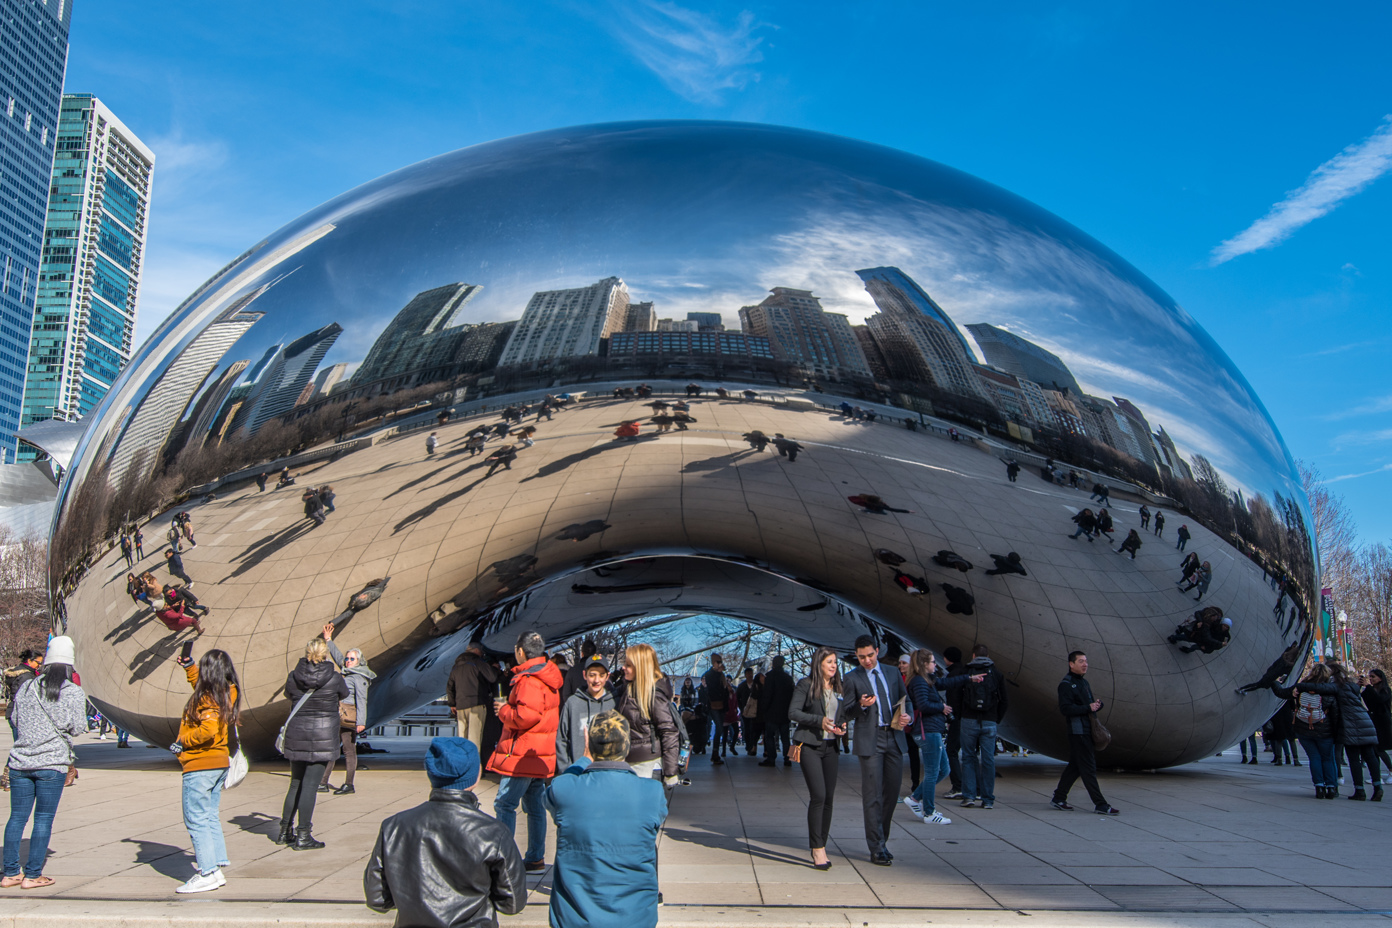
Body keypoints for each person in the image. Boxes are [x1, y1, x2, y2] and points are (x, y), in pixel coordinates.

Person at [364, 738, 527, 928]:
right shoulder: (493, 832)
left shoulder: (394, 827)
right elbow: (512, 903)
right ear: (475, 775)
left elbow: (378, 898)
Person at [545, 711, 666, 928]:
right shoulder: (652, 793)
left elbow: (554, 793)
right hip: (635, 918)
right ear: (627, 745)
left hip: (575, 918)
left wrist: (583, 759)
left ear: (590, 744)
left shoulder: (564, 789)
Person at [3, 637, 84, 889]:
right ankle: (33, 874)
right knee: (43, 819)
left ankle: (9, 873)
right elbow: (79, 727)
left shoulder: (26, 687)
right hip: (52, 764)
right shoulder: (71, 690)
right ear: (70, 665)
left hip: (20, 762)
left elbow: (15, 718)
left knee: (17, 818)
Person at [487, 630, 562, 872]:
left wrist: (503, 711)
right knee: (534, 806)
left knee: (505, 803)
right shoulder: (547, 677)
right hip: (539, 754)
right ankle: (535, 856)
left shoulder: (528, 680)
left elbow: (526, 716)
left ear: (520, 652)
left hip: (522, 754)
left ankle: (506, 859)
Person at [172, 648, 241, 893]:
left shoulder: (208, 698)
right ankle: (216, 866)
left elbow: (208, 729)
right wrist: (189, 667)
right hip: (218, 763)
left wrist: (182, 741)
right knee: (209, 816)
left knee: (196, 820)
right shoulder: (226, 692)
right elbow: (200, 690)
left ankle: (207, 872)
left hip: (201, 765)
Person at [841, 635, 912, 865]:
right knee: (873, 796)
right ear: (856, 656)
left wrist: (906, 716)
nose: (867, 661)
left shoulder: (892, 673)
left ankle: (883, 841)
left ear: (878, 651)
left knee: (891, 795)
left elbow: (905, 699)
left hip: (893, 737)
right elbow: (845, 712)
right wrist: (861, 705)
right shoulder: (851, 678)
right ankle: (876, 847)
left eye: (870, 655)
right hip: (870, 741)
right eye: (862, 657)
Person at [278, 637, 349, 849]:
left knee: (295, 783)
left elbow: (288, 694)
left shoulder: (294, 676)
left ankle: (284, 830)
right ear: (325, 654)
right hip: (322, 736)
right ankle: (303, 835)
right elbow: (344, 694)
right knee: (310, 786)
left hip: (297, 733)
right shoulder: (334, 678)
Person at [905, 650, 983, 825]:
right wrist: (941, 707)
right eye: (932, 662)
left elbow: (947, 682)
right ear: (924, 664)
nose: (935, 664)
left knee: (944, 770)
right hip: (928, 731)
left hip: (933, 730)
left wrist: (969, 679)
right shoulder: (919, 681)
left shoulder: (927, 680)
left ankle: (915, 798)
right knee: (933, 773)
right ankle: (929, 813)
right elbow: (922, 704)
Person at [1288, 662, 1382, 800]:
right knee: (1370, 756)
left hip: (1350, 724)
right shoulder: (1351, 685)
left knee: (1354, 758)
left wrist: (1299, 687)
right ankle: (1378, 786)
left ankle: (1359, 790)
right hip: (1365, 721)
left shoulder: (1335, 687)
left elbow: (1313, 687)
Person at [788, 647, 847, 868]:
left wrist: (841, 725)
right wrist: (819, 720)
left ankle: (822, 842)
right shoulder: (806, 685)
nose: (833, 665)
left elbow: (840, 715)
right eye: (829, 661)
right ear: (819, 663)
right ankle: (817, 848)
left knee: (829, 798)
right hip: (810, 745)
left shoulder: (838, 688)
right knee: (819, 795)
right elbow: (793, 713)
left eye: (835, 662)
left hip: (831, 746)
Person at [1050, 651, 1119, 815]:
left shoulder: (1084, 683)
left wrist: (1096, 705)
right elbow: (1065, 709)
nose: (1085, 664)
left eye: (1086, 661)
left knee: (1075, 766)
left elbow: (1088, 706)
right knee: (1088, 768)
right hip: (1078, 732)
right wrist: (1087, 708)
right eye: (1080, 661)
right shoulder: (1066, 684)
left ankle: (1059, 797)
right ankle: (1100, 804)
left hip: (1087, 730)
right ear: (1071, 664)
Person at [614, 644, 679, 786]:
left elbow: (668, 731)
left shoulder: (654, 695)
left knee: (648, 807)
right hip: (629, 762)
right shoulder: (628, 688)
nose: (623, 668)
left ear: (640, 667)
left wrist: (670, 771)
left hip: (648, 766)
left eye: (628, 665)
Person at [321, 625, 374, 795]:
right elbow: (337, 657)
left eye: (352, 659)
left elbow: (362, 700)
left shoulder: (359, 677)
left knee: (349, 751)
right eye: (347, 659)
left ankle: (349, 784)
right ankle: (323, 781)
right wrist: (328, 639)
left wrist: (361, 723)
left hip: (349, 717)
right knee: (332, 748)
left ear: (359, 662)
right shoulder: (347, 672)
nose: (348, 661)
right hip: (338, 715)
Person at [957, 645, 1008, 809]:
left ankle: (969, 796)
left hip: (968, 719)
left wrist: (960, 715)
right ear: (988, 655)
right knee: (988, 760)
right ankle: (987, 799)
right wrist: (995, 718)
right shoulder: (996, 673)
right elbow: (1004, 700)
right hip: (989, 720)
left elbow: (956, 696)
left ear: (973, 655)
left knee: (968, 757)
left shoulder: (966, 671)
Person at [1277, 664, 1338, 797]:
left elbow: (1282, 693)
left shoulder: (1300, 689)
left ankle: (1319, 786)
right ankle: (1331, 786)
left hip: (1304, 728)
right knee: (1327, 758)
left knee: (1314, 758)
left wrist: (1273, 682)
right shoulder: (1330, 690)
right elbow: (1335, 713)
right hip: (1325, 730)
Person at [556, 654, 616, 771]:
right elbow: (561, 739)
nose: (596, 680)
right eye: (592, 675)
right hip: (578, 773)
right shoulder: (572, 703)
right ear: (584, 675)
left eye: (601, 675)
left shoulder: (615, 703)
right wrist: (567, 771)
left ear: (607, 676)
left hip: (608, 773)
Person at [759, 655, 795, 767]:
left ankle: (771, 758)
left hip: (772, 712)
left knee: (769, 736)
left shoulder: (769, 677)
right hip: (785, 712)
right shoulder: (788, 678)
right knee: (785, 737)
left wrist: (763, 709)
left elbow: (767, 695)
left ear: (773, 664)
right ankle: (787, 758)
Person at [941, 646, 966, 798]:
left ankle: (958, 786)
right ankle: (975, 788)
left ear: (948, 658)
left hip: (957, 718)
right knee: (969, 754)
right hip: (969, 718)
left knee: (951, 751)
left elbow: (953, 699)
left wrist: (950, 717)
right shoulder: (965, 672)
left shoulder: (952, 676)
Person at [3, 650, 41, 740]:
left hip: (13, 712)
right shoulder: (26, 676)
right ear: (29, 661)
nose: (39, 665)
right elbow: (26, 697)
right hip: (21, 714)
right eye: (38, 662)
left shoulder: (18, 673)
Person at [1363, 669, 1392, 775]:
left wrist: (1369, 688)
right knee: (1374, 749)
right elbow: (1368, 703)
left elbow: (1380, 700)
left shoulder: (1386, 690)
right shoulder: (1370, 690)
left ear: (1380, 678)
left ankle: (1390, 769)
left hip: (1383, 722)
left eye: (1373, 677)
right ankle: (1376, 775)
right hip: (1372, 721)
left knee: (1380, 748)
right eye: (1370, 677)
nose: (1371, 679)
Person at [703, 653, 730, 765]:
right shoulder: (709, 674)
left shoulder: (722, 675)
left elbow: (724, 690)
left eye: (720, 662)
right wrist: (718, 673)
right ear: (713, 663)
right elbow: (712, 687)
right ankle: (715, 752)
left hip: (721, 705)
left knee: (720, 728)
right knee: (719, 727)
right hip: (713, 705)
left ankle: (716, 753)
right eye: (718, 662)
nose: (720, 665)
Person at [558, 638, 597, 705]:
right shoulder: (601, 671)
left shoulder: (573, 671)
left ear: (582, 654)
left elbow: (566, 695)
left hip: (578, 712)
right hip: (598, 711)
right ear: (594, 654)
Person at [736, 667, 761, 756]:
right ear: (745, 675)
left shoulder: (757, 685)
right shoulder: (742, 686)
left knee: (754, 729)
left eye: (751, 673)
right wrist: (741, 708)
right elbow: (737, 697)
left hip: (755, 711)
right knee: (746, 728)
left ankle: (753, 745)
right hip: (745, 711)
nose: (750, 675)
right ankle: (749, 745)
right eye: (748, 674)